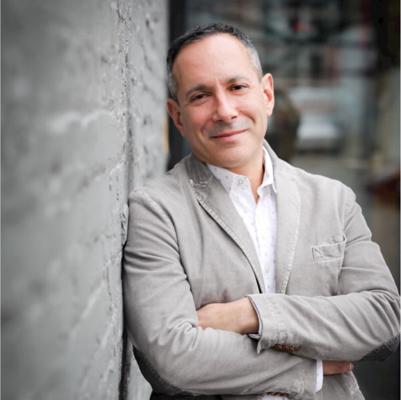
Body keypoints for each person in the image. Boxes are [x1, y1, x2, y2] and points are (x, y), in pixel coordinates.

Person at [123, 23, 399, 400]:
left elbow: (384, 320)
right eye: (200, 95)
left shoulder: (334, 200)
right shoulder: (156, 210)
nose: (225, 111)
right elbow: (172, 361)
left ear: (266, 94)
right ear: (177, 116)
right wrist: (310, 368)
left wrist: (252, 313)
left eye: (237, 87)